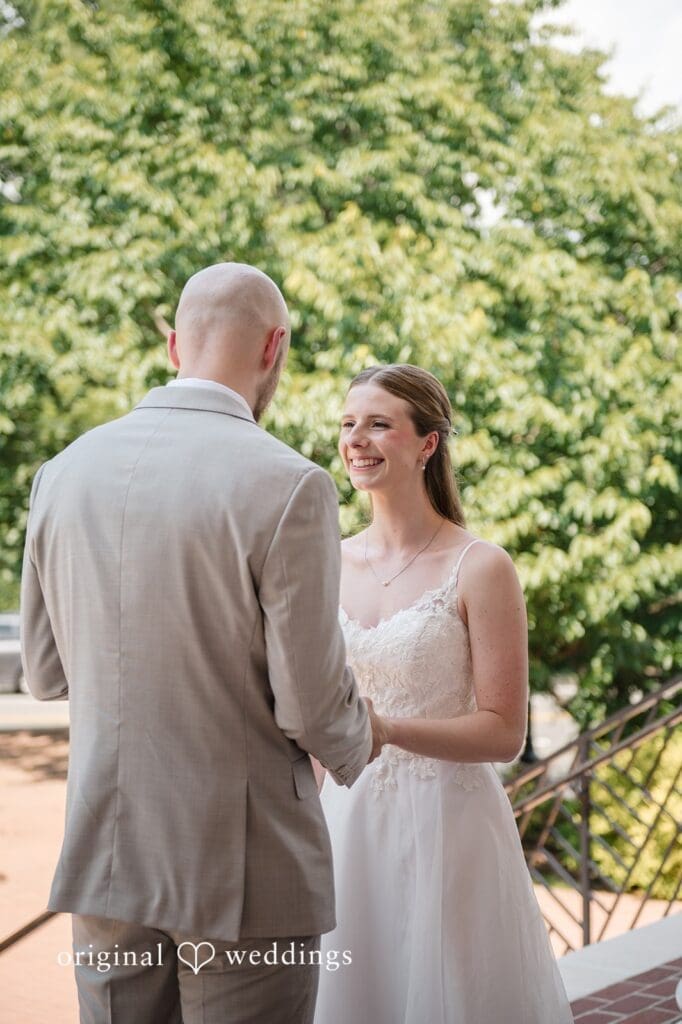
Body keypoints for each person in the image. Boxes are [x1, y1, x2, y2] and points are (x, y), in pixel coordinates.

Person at [20, 262, 384, 1024]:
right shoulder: (289, 483)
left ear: (174, 346)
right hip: (245, 871)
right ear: (273, 347)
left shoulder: (62, 473)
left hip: (107, 856)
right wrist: (365, 740)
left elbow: (47, 674)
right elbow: (315, 707)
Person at [313, 364, 574, 1024]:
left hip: (448, 830)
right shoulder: (324, 560)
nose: (357, 440)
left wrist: (387, 729)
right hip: (345, 824)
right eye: (348, 424)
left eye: (379, 424)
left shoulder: (480, 566)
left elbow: (503, 730)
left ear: (428, 444)